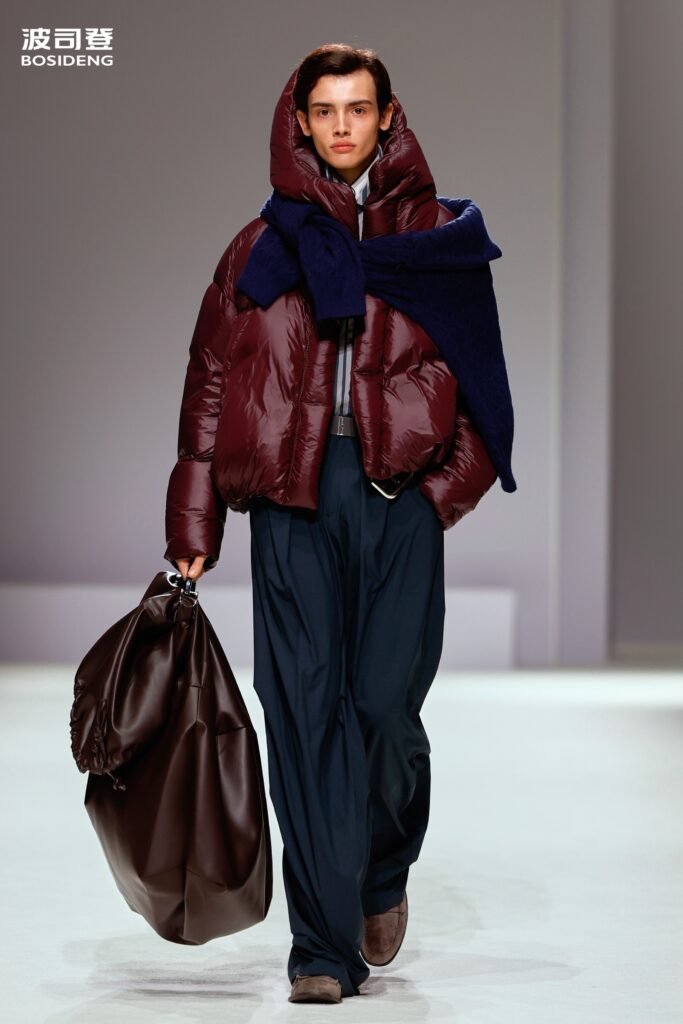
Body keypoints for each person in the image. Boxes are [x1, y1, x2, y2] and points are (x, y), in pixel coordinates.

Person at [165, 43, 503, 1004]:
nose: (342, 126)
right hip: (291, 505)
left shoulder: (437, 240)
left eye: (358, 108)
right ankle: (320, 945)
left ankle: (381, 872)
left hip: (398, 505)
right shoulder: (260, 247)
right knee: (304, 712)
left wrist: (438, 499)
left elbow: (484, 389)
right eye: (325, 111)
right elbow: (211, 382)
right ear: (301, 123)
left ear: (388, 116)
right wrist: (194, 521)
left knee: (386, 713)